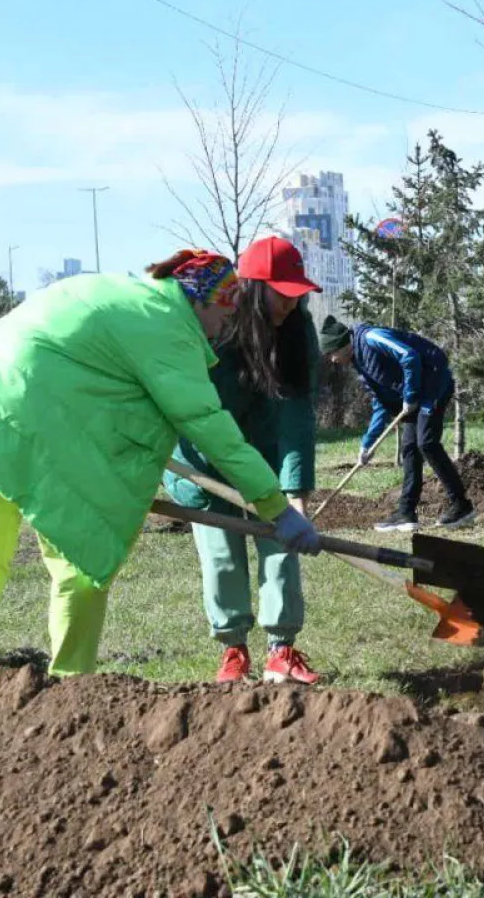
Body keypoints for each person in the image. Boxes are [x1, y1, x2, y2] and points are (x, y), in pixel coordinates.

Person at [0, 250, 323, 686]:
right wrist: (277, 507)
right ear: (202, 302)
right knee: (80, 569)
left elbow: (92, 389)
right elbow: (207, 425)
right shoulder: (168, 326)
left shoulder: (123, 294)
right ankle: (72, 687)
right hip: (26, 427)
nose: (224, 328)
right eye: (224, 315)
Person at [162, 236, 324, 685]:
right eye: (282, 292)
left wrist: (294, 491)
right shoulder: (215, 325)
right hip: (204, 459)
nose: (291, 303)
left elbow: (297, 413)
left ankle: (281, 650)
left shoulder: (297, 331)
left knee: (281, 544)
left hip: (265, 457)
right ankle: (234, 650)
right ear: (252, 288)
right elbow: (192, 407)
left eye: (297, 294)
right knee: (221, 556)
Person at [319, 316, 476, 532]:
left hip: (433, 384)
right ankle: (406, 513)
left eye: (331, 353)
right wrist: (367, 445)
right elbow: (380, 402)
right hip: (415, 396)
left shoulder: (372, 338)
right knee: (410, 450)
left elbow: (409, 356)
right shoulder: (360, 364)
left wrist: (410, 396)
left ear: (342, 345)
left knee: (427, 443)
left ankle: (461, 505)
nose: (332, 360)